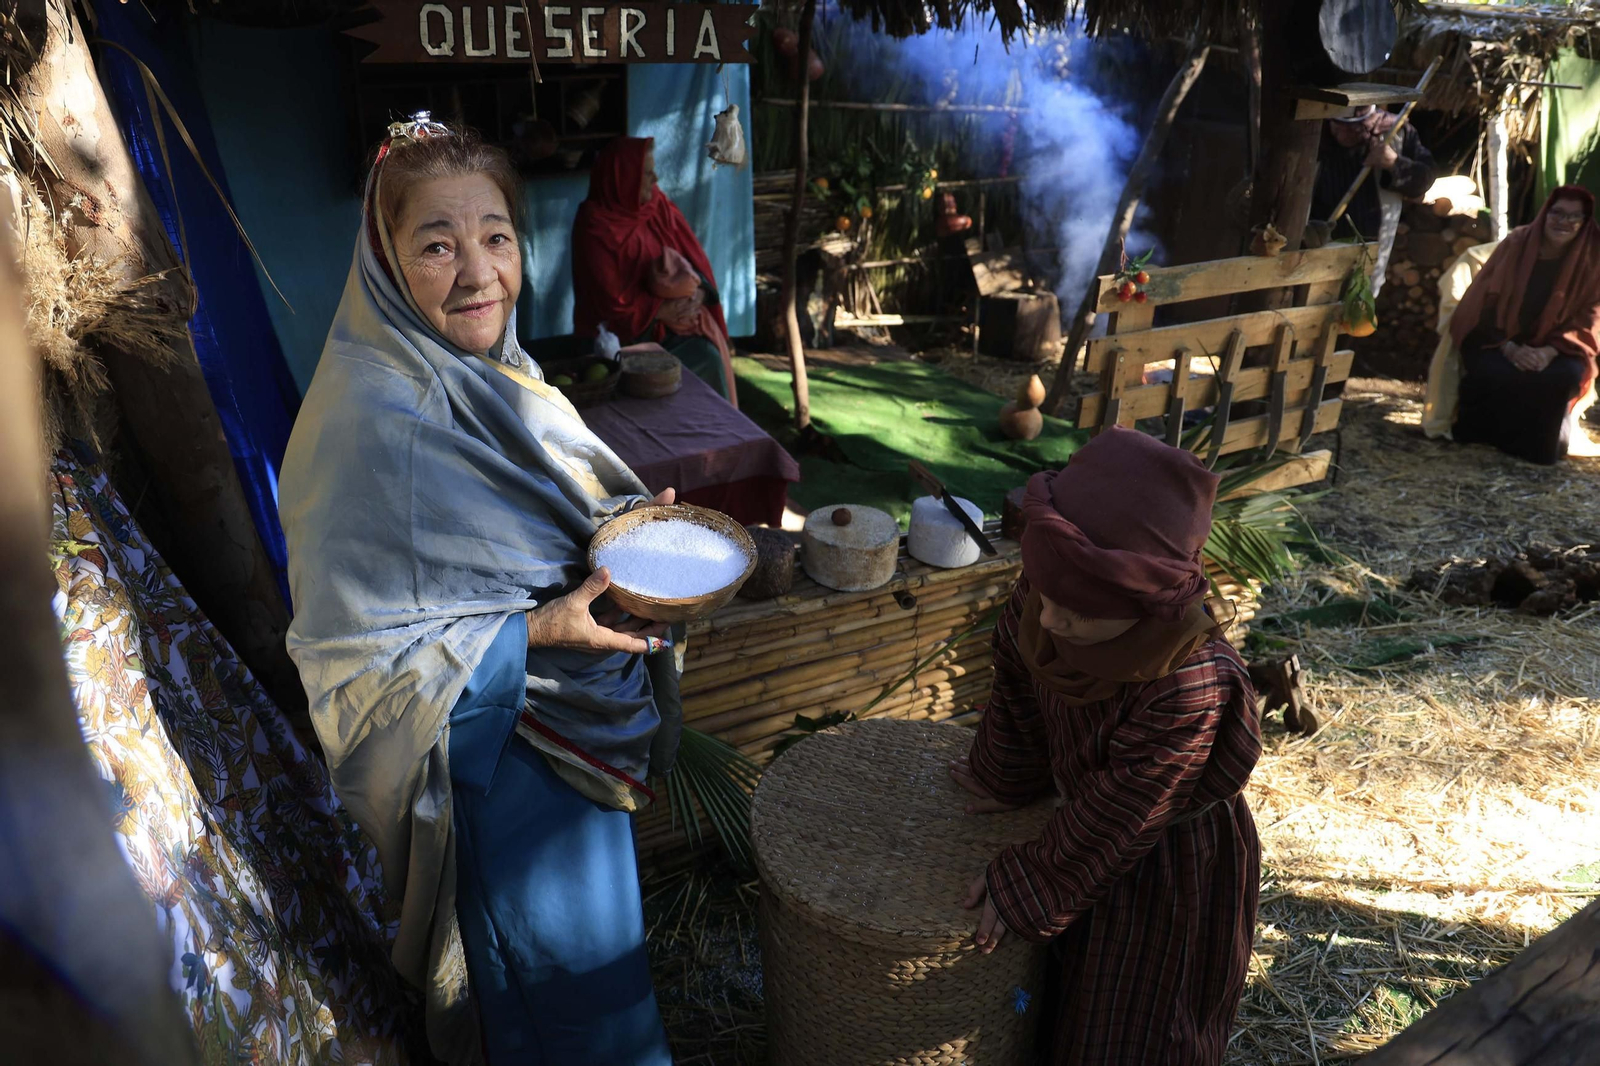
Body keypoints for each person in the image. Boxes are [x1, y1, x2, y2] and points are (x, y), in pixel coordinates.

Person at [278, 116, 678, 1066]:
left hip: (564, 753)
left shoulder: (493, 369)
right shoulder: (372, 419)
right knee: (548, 1007)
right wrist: (531, 631)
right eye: (436, 244)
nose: (478, 273)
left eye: (496, 236)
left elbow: (555, 506)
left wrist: (630, 527)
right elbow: (351, 654)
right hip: (497, 777)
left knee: (602, 984)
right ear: (383, 256)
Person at [949, 427, 1262, 1066]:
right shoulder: (1049, 600)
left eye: (1082, 614)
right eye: (1049, 596)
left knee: (1128, 1027)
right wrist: (1006, 774)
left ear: (1148, 603)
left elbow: (1126, 813)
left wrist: (1030, 881)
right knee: (1051, 1002)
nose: (1054, 622)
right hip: (1082, 821)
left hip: (1168, 863)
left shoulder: (1185, 684)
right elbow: (1015, 685)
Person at [571, 136, 738, 406]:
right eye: (646, 173)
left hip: (668, 332)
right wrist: (659, 311)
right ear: (623, 178)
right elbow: (609, 302)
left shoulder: (656, 207)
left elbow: (690, 259)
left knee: (709, 357)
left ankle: (725, 441)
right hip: (616, 342)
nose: (656, 179)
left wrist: (697, 292)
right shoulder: (594, 225)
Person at [1448, 185, 1600, 464]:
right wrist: (1509, 348)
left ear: (1584, 221)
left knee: (1564, 375)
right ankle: (1483, 436)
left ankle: (1538, 446)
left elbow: (1591, 316)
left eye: (1573, 216)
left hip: (1558, 347)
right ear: (1545, 213)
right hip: (1499, 338)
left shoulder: (1594, 258)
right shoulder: (1517, 243)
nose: (1563, 222)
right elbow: (1482, 301)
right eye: (1557, 213)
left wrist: (1549, 352)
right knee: (1494, 370)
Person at [1309, 105, 1437, 295]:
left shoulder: (1396, 132)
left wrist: (1394, 162)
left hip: (1371, 244)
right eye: (1337, 127)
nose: (1342, 134)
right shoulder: (1313, 130)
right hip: (1317, 245)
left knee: (1358, 305)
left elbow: (1424, 180)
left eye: (1351, 129)